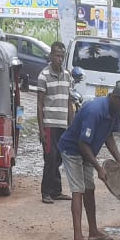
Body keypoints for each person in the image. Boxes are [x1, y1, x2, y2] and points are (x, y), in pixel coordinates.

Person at [58, 81, 120, 240]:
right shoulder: (95, 111)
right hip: (72, 149)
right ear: (115, 98)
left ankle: (93, 231)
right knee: (78, 190)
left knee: (90, 189)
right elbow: (82, 143)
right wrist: (99, 168)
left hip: (87, 152)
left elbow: (109, 137)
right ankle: (78, 238)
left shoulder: (115, 111)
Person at [37, 41, 73, 204]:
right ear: (51, 55)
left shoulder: (67, 76)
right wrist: (41, 129)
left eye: (62, 56)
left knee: (59, 157)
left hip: (63, 124)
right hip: (49, 124)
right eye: (57, 55)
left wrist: (71, 126)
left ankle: (56, 190)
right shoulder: (43, 76)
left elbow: (69, 101)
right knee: (50, 158)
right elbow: (39, 104)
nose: (59, 59)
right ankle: (46, 192)